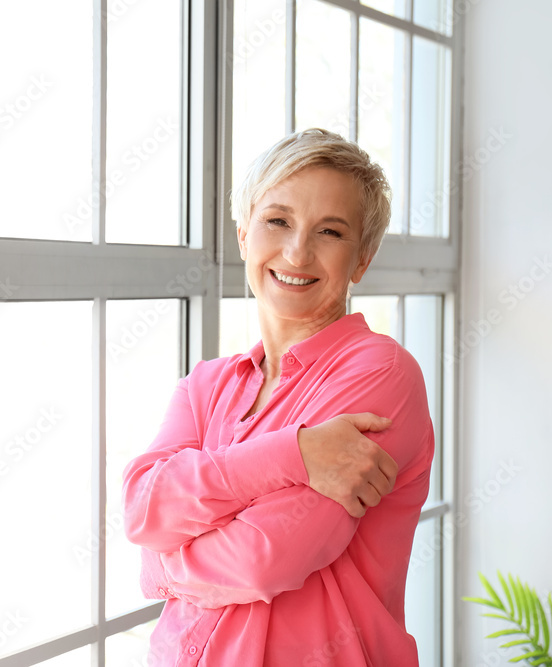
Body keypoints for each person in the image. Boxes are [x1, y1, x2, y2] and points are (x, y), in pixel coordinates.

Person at [122, 128, 433, 666]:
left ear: (361, 259)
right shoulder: (206, 386)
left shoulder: (382, 374)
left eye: (330, 232)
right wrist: (297, 454)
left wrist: (161, 566)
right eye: (278, 221)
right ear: (244, 235)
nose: (297, 251)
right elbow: (142, 509)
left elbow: (262, 558)